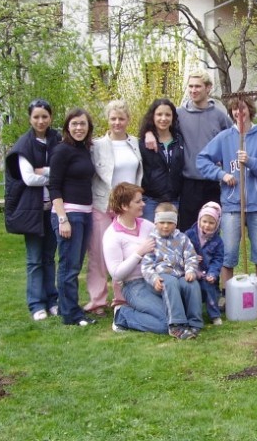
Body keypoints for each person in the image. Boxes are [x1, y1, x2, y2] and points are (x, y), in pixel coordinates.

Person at [197, 95, 257, 297]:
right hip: (232, 204)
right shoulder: (225, 138)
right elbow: (202, 160)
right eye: (234, 110)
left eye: (242, 109)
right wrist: (221, 174)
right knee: (229, 252)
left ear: (250, 110)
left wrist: (251, 161)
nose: (238, 114)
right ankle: (228, 294)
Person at [144, 70, 231, 230]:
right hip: (188, 183)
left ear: (208, 88)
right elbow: (159, 125)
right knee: (187, 229)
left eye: (198, 86)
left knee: (210, 230)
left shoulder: (219, 116)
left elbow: (233, 140)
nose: (193, 90)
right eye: (190, 86)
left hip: (212, 183)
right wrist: (148, 132)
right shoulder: (178, 114)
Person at [4, 99, 61, 321]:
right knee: (34, 259)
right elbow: (29, 178)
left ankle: (52, 300)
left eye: (44, 116)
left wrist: (45, 171)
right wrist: (53, 175)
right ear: (30, 118)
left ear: (50, 118)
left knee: (49, 257)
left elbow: (61, 169)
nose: (40, 121)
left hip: (53, 210)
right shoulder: (24, 145)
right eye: (36, 117)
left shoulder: (56, 139)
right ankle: (36, 304)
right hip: (32, 211)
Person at [85, 100, 143, 317]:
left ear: (128, 120)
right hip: (103, 204)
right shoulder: (97, 145)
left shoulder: (135, 143)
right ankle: (97, 300)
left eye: (121, 118)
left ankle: (122, 299)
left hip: (128, 208)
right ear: (108, 120)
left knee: (126, 255)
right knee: (99, 255)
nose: (117, 122)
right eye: (113, 118)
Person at [49, 108, 97, 326]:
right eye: (75, 124)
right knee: (69, 266)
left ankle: (68, 307)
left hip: (86, 214)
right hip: (69, 214)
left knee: (75, 265)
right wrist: (62, 219)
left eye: (83, 124)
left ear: (88, 127)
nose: (79, 128)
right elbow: (54, 187)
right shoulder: (62, 150)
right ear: (68, 126)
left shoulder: (84, 149)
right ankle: (71, 315)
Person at [102, 182, 168, 334]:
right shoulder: (112, 235)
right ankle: (123, 315)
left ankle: (144, 311)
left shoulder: (147, 225)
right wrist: (139, 252)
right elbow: (117, 274)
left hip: (154, 279)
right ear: (125, 206)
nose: (143, 204)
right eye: (138, 201)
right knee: (166, 324)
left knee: (178, 315)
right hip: (133, 286)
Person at [141, 203, 203, 339]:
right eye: (162, 222)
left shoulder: (182, 238)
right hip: (162, 276)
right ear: (156, 223)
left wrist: (190, 270)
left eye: (169, 222)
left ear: (175, 223)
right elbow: (146, 265)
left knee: (191, 285)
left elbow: (191, 256)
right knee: (169, 283)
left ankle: (195, 323)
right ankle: (176, 325)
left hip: (181, 274)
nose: (165, 226)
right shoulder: (152, 240)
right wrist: (154, 278)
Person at [138, 98, 184, 221]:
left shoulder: (179, 139)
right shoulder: (144, 142)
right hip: (150, 200)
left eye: (168, 115)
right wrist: (147, 133)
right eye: (159, 114)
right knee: (150, 238)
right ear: (152, 116)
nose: (163, 118)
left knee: (171, 238)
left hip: (174, 200)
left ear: (173, 117)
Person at [184, 202, 224, 326]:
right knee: (188, 287)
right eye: (204, 221)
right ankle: (188, 314)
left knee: (209, 288)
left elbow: (218, 259)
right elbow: (180, 250)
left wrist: (213, 273)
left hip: (206, 273)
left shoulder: (218, 241)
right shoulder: (189, 234)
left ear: (217, 224)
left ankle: (214, 315)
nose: (207, 225)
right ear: (199, 219)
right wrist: (192, 257)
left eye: (211, 223)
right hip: (189, 270)